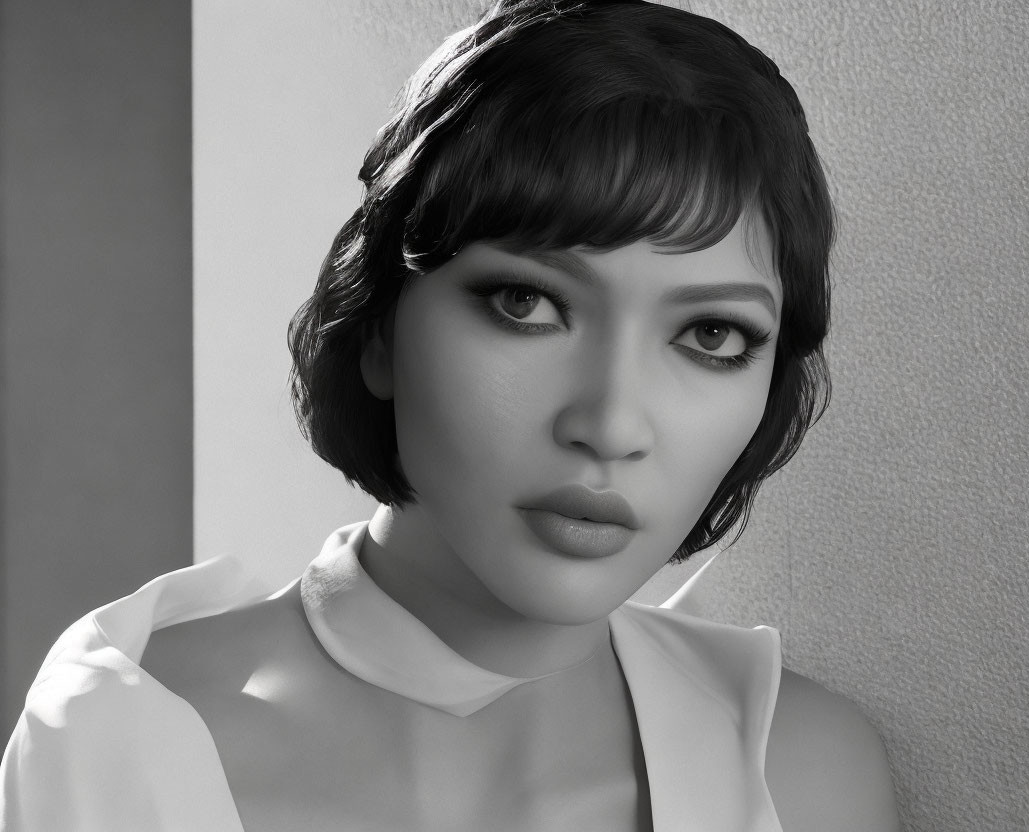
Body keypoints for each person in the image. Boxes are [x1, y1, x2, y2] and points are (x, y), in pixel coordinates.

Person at [1, 0, 900, 829]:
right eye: (524, 303)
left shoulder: (803, 777)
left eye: (711, 334)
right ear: (381, 323)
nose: (613, 423)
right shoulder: (121, 741)